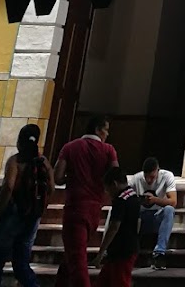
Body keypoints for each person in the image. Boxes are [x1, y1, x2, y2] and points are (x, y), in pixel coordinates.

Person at [54, 114, 118, 286]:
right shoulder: (108, 150)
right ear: (98, 129)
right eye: (106, 130)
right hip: (95, 209)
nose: (107, 134)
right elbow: (115, 176)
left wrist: (74, 177)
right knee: (74, 254)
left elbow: (58, 177)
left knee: (77, 258)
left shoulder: (70, 148)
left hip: (75, 207)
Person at [0, 124, 54, 287]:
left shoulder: (15, 161)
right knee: (21, 264)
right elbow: (52, 187)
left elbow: (9, 187)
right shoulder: (43, 162)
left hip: (14, 213)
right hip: (33, 216)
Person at [93, 165, 141, 287]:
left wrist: (101, 252)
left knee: (120, 282)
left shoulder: (121, 200)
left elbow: (114, 226)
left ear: (114, 184)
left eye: (107, 190)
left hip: (121, 252)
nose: (107, 193)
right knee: (103, 282)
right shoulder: (134, 197)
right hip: (127, 249)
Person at [129, 156, 176, 270]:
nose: (149, 180)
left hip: (157, 217)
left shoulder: (167, 176)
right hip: (141, 218)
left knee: (169, 210)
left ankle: (159, 254)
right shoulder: (136, 179)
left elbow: (173, 201)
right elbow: (125, 199)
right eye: (146, 177)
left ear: (158, 171)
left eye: (152, 177)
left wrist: (155, 200)